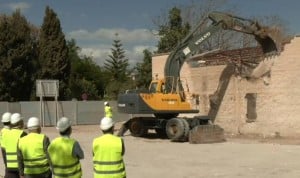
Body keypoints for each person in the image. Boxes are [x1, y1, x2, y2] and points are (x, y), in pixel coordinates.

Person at [2, 113, 27, 178]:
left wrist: (7, 166)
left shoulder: (6, 135)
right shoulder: (23, 134)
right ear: (20, 123)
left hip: (9, 168)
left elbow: (3, 152)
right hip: (20, 167)